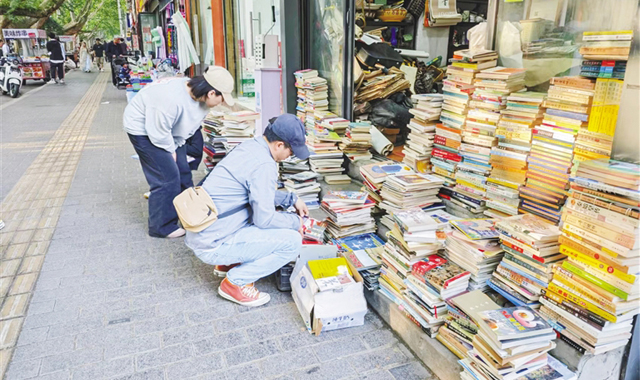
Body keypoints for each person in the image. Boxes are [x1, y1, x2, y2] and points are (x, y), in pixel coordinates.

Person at [185, 114, 309, 307]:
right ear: (279, 145)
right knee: (292, 242)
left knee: (271, 220)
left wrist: (291, 199)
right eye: (291, 152)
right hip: (214, 242)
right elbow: (264, 220)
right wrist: (296, 222)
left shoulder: (250, 147)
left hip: (205, 232)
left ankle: (230, 262)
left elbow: (257, 195)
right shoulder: (265, 165)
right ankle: (236, 282)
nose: (290, 157)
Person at [123, 66, 235, 238]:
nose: (222, 103)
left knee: (183, 171)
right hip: (143, 130)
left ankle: (189, 215)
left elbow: (186, 130)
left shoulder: (200, 99)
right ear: (212, 93)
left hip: (169, 132)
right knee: (167, 178)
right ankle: (160, 226)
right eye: (222, 98)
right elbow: (158, 133)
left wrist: (177, 148)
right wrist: (170, 151)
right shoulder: (170, 99)